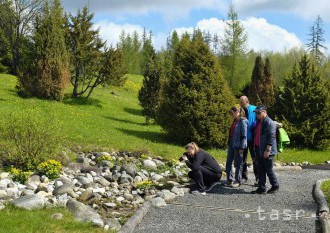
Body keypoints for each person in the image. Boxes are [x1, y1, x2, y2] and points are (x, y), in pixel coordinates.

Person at [251, 106, 280, 194]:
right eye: (256, 113)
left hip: (267, 150)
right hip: (259, 149)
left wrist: (268, 150)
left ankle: (275, 185)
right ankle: (261, 187)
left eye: (259, 113)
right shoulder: (259, 122)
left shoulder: (270, 123)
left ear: (264, 112)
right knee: (260, 169)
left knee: (268, 169)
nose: (257, 115)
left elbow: (271, 137)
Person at [224, 107, 248, 188]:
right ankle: (229, 179)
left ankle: (237, 180)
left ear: (238, 111)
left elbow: (244, 136)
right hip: (231, 143)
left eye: (233, 112)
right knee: (228, 162)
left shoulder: (243, 121)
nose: (232, 114)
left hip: (238, 145)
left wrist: (242, 147)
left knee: (238, 163)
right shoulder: (235, 121)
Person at [239, 96, 258, 186]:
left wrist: (256, 125)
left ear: (247, 101)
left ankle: (258, 178)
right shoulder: (240, 110)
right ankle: (244, 177)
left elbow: (261, 119)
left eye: (242, 102)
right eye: (240, 102)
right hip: (243, 139)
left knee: (255, 159)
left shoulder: (254, 109)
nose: (240, 104)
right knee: (242, 159)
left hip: (253, 139)